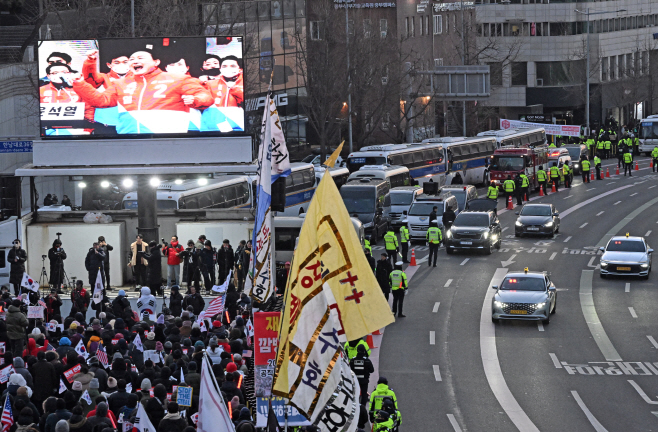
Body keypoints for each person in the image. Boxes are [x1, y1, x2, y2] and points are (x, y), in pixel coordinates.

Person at [71, 49, 214, 134]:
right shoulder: (121, 83)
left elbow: (205, 96)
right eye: (131, 59)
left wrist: (196, 100)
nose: (134, 61)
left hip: (169, 138)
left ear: (156, 62)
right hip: (129, 137)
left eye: (140, 58)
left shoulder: (178, 78)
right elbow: (101, 101)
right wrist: (79, 83)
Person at [200, 56, 245, 132]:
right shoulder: (210, 83)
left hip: (238, 126)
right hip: (212, 127)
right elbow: (200, 101)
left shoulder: (246, 83)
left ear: (240, 69)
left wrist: (235, 89)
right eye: (224, 66)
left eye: (232, 66)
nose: (228, 68)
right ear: (220, 69)